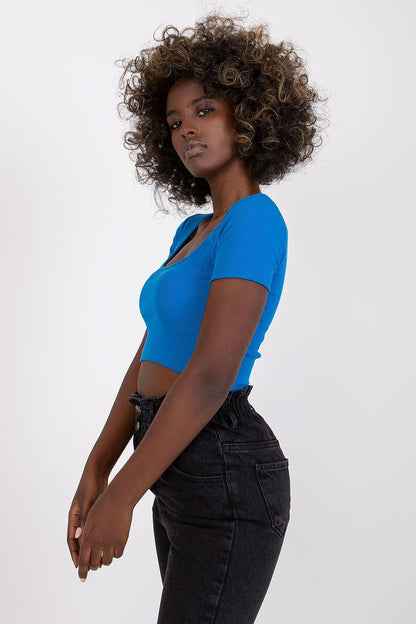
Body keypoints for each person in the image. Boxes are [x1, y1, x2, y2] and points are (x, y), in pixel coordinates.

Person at [67, 11, 327, 623]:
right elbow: (153, 350)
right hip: (173, 459)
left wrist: (123, 494)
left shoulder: (255, 220)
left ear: (250, 116)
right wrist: (98, 466)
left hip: (222, 464)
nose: (187, 128)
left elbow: (210, 375)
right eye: (174, 120)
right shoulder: (193, 230)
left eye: (205, 110)